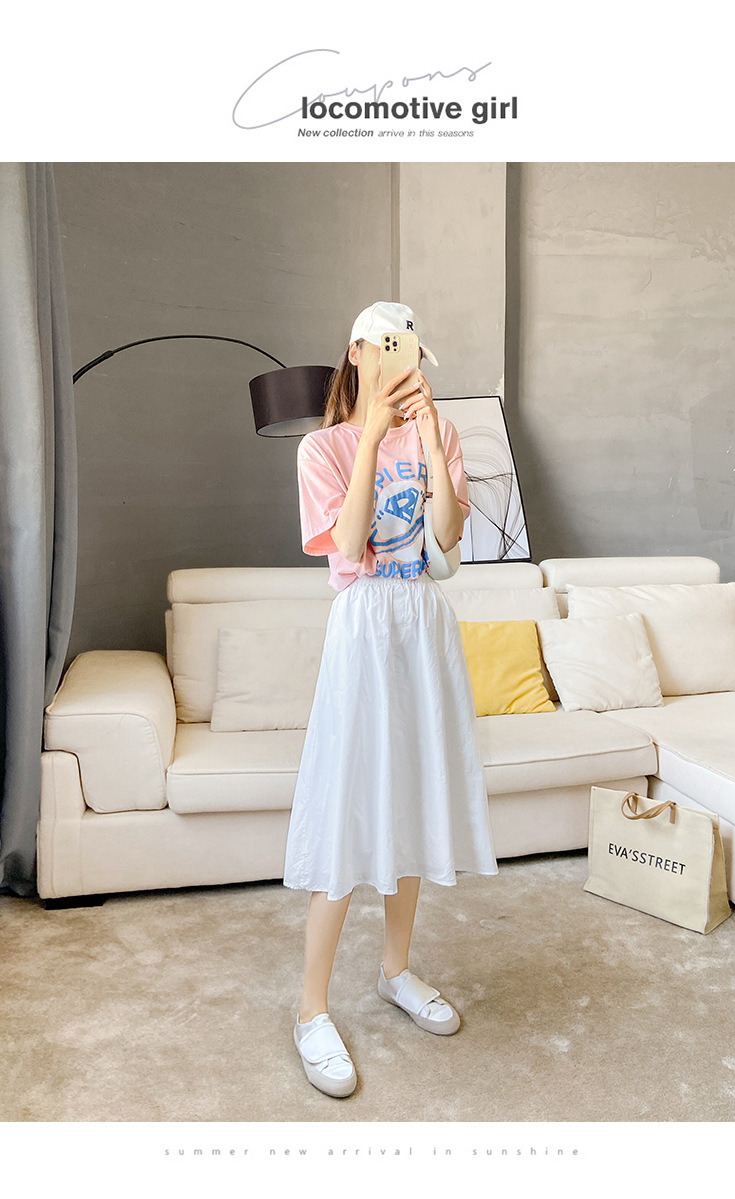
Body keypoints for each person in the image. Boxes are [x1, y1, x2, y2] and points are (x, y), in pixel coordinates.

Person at [283, 301, 498, 1098]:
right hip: (363, 626)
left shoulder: (441, 433)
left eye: (408, 352)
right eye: (385, 349)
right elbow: (346, 545)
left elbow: (448, 539)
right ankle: (311, 1008)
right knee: (349, 809)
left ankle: (396, 969)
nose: (399, 364)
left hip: (423, 627)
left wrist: (433, 438)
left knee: (407, 801)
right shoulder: (322, 447)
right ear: (358, 353)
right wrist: (372, 434)